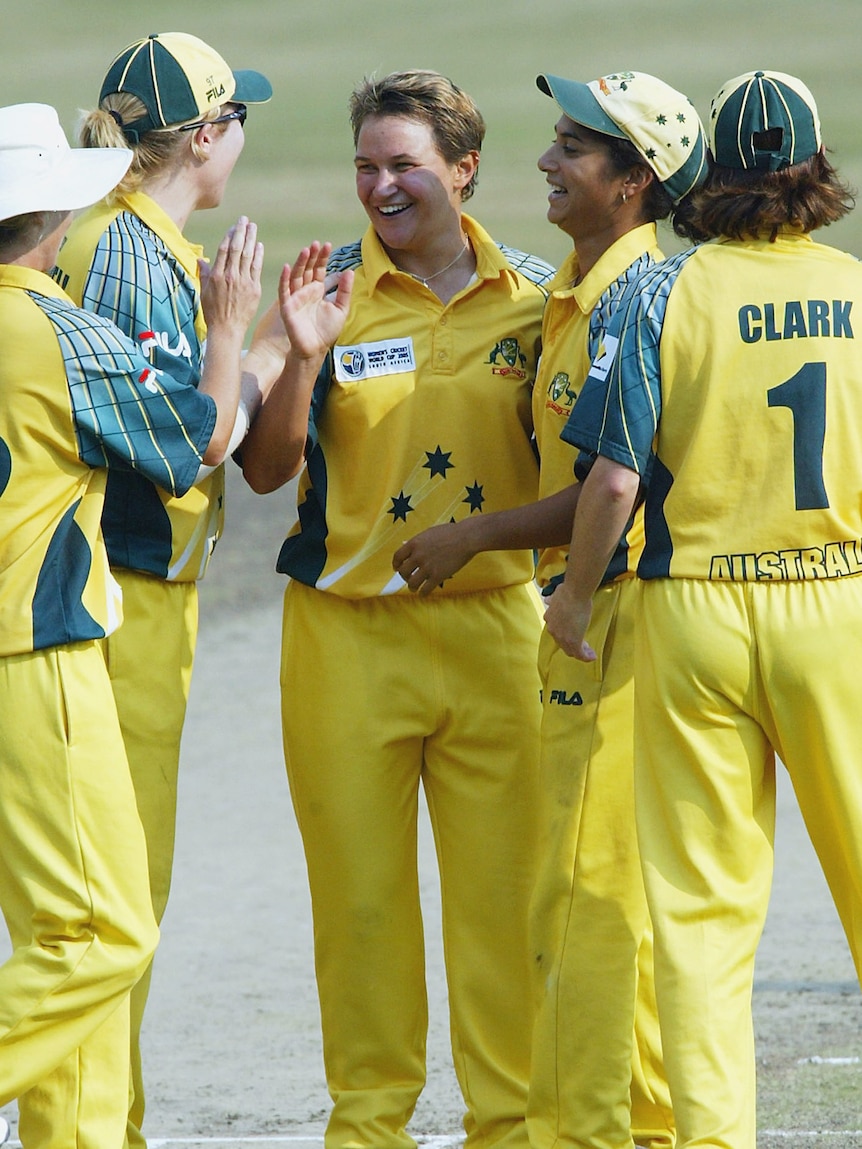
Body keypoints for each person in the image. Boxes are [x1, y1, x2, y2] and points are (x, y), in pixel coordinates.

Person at [545, 70, 861, 1149]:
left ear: (710, 171)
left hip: (695, 620)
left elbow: (614, 481)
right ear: (813, 169)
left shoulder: (653, 293)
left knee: (700, 924)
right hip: (841, 611)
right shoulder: (859, 291)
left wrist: (574, 602)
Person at [393, 70, 708, 1149]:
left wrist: (478, 541)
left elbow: (615, 484)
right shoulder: (579, 291)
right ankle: (650, 1126)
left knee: (579, 902)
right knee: (604, 898)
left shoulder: (630, 296)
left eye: (576, 146)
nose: (547, 158)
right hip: (615, 628)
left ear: (633, 184)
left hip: (614, 627)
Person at [240, 69, 554, 1149]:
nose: (379, 185)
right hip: (344, 642)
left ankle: (508, 1128)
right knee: (363, 913)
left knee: (503, 913)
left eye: (404, 165)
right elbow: (267, 475)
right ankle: (367, 1130)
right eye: (366, 165)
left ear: (463, 170)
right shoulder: (320, 285)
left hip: (497, 635)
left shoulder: (539, 292)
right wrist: (299, 361)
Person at [0, 102, 260, 1149]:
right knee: (104, 931)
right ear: (51, 212)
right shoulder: (58, 331)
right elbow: (187, 442)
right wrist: (237, 332)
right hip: (36, 653)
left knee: (54, 925)